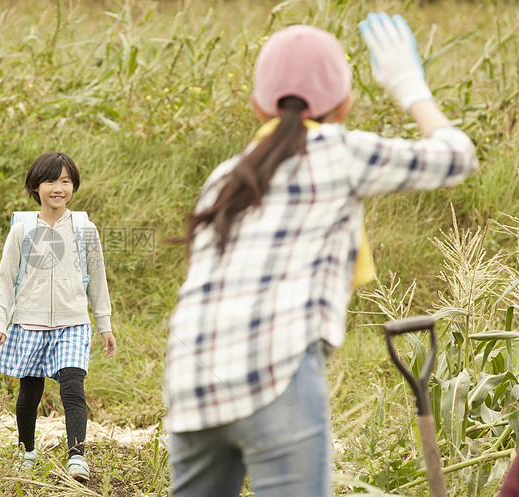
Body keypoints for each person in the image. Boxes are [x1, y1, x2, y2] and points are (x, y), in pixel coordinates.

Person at [163, 14, 478, 496]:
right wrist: (410, 87)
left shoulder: (223, 178)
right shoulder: (336, 149)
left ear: (255, 106)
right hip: (277, 371)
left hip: (190, 380)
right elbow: (458, 156)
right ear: (345, 103)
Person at [0, 151, 117, 483]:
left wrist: (105, 325)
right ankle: (27, 452)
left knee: (73, 386)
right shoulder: (22, 230)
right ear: (36, 186)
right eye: (50, 181)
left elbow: (97, 278)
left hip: (73, 322)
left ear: (73, 186)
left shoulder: (85, 228)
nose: (58, 188)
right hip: (29, 322)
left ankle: (77, 458)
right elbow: (5, 279)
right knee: (30, 391)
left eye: (66, 181)